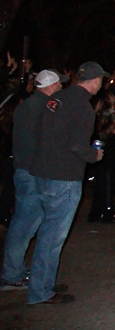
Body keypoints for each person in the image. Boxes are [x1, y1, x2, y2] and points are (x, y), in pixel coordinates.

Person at [26, 62, 107, 305]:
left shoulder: (57, 99)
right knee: (52, 237)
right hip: (63, 177)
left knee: (44, 232)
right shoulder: (83, 107)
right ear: (95, 81)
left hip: (42, 171)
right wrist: (94, 156)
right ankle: (40, 291)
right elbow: (77, 144)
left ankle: (42, 282)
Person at [0, 69, 68, 291]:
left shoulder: (26, 105)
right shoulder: (44, 107)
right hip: (33, 171)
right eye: (59, 84)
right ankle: (11, 274)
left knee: (26, 221)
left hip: (24, 168)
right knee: (25, 223)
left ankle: (15, 269)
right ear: (50, 86)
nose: (61, 87)